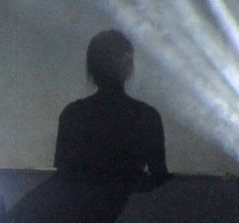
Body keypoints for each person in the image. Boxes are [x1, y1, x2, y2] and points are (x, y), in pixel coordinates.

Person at [54, 29, 169, 185]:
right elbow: (159, 176)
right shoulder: (147, 116)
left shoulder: (73, 114)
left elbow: (64, 174)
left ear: (91, 69)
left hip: (82, 200)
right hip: (127, 200)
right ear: (128, 68)